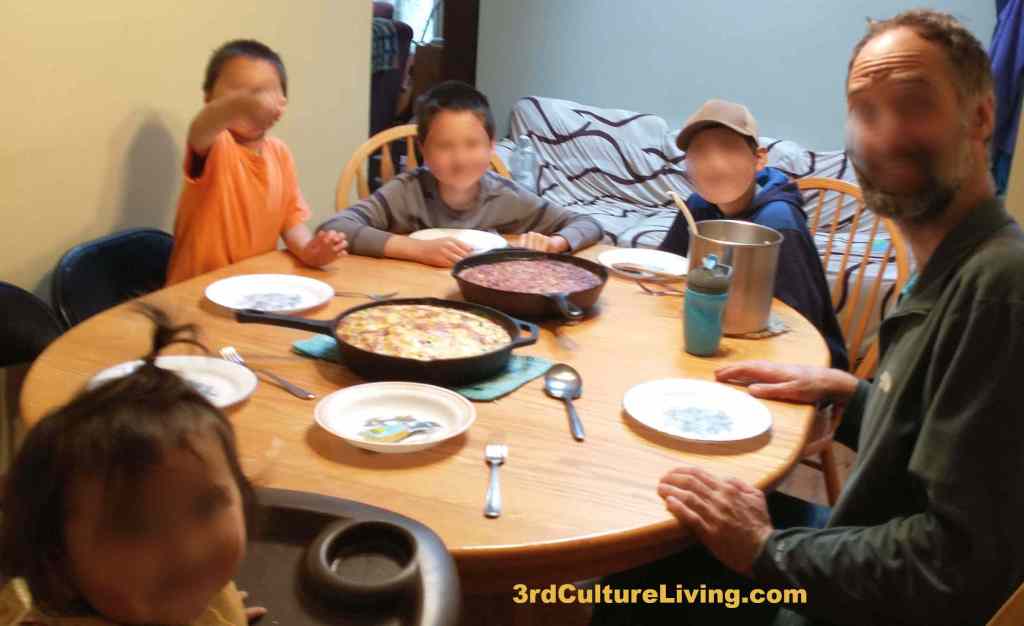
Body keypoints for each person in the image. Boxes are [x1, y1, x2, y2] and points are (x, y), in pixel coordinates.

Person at [593, 9, 1024, 625]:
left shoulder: (999, 290)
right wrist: (849, 390)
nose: (883, 133)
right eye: (865, 111)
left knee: (630, 585)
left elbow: (956, 564)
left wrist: (767, 551)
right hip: (854, 545)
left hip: (851, 608)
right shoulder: (951, 271)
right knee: (654, 537)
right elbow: (928, 445)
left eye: (913, 103)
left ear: (981, 117)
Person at [0, 307, 263, 625]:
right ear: (57, 564)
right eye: (134, 526)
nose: (187, 551)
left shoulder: (174, 589)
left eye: (206, 507)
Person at [318, 80, 604, 267]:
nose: (460, 159)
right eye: (445, 146)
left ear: (491, 146)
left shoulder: (506, 196)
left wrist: (555, 243)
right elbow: (333, 228)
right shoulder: (406, 191)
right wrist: (417, 250)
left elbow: (587, 223)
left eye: (472, 144)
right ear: (423, 150)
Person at [660, 99, 847, 369]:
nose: (714, 163)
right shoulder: (698, 206)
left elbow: (799, 327)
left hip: (797, 363)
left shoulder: (778, 223)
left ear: (759, 159)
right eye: (699, 152)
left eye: (728, 148)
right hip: (712, 338)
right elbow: (666, 271)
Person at [166, 39, 347, 285]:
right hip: (193, 293)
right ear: (209, 97)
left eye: (262, 92)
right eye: (238, 91)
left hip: (251, 290)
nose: (252, 102)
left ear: (281, 103)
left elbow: (291, 221)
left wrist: (310, 251)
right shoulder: (216, 145)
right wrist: (237, 104)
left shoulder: (280, 153)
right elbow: (201, 128)